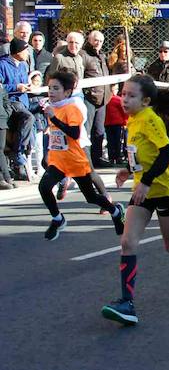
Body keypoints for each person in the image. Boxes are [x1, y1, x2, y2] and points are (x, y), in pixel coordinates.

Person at [99, 75, 169, 325]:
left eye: (131, 95)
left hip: (164, 190)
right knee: (128, 242)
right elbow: (142, 153)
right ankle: (127, 303)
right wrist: (130, 169)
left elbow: (166, 151)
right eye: (123, 93)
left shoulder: (150, 119)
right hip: (142, 192)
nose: (124, 99)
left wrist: (147, 181)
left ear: (146, 100)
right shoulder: (133, 120)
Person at [38, 70, 125, 240]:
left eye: (56, 88)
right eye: (50, 88)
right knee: (44, 187)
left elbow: (74, 133)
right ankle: (58, 219)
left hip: (75, 160)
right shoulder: (52, 107)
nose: (51, 92)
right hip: (58, 160)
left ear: (67, 92)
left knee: (91, 197)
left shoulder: (73, 107)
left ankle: (115, 211)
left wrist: (54, 119)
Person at [0, 38, 35, 178]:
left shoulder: (22, 65)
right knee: (29, 117)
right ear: (18, 51)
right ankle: (16, 152)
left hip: (23, 102)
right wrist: (16, 87)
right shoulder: (2, 64)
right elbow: (1, 87)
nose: (27, 53)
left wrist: (28, 86)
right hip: (11, 102)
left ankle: (19, 157)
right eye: (25, 50)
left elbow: (24, 82)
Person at [80, 30, 112, 167]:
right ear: (89, 40)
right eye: (95, 40)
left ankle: (97, 158)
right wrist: (87, 92)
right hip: (89, 98)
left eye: (100, 41)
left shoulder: (102, 56)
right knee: (86, 131)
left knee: (99, 131)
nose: (98, 43)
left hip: (103, 99)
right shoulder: (84, 55)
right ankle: (85, 159)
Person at [104, 84, 127, 166]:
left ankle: (111, 158)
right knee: (118, 141)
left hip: (107, 123)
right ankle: (117, 158)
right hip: (117, 124)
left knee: (110, 141)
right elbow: (124, 112)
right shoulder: (118, 99)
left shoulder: (106, 100)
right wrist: (125, 121)